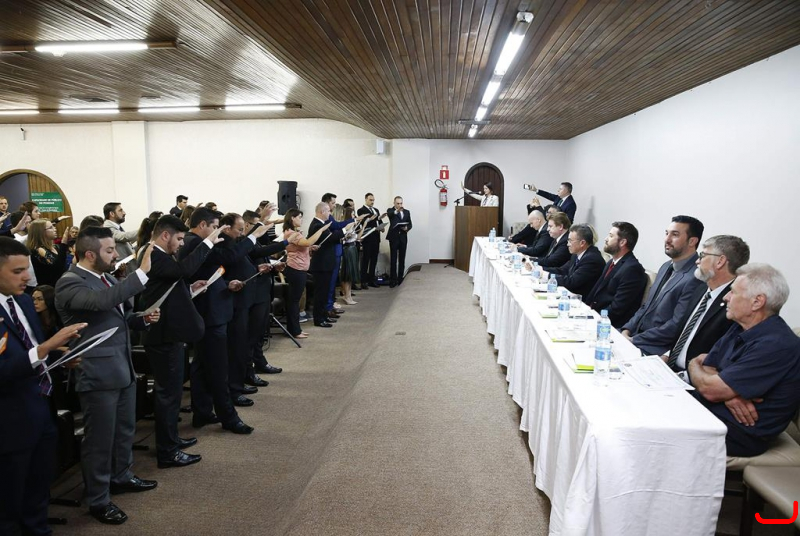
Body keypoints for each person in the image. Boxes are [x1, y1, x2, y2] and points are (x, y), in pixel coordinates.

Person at [55, 227, 160, 525]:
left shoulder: (108, 279)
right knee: (99, 440)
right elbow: (99, 303)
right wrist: (140, 274)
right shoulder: (70, 282)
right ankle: (98, 499)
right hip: (96, 372)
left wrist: (142, 319)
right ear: (90, 254)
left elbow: (118, 316)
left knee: (124, 430)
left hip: (121, 366)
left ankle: (121, 476)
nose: (115, 255)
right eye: (110, 250)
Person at [0, 237, 86, 536]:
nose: (27, 277)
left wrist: (59, 358)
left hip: (43, 406)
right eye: (17, 271)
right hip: (10, 417)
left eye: (27, 269)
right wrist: (47, 347)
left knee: (39, 488)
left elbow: (34, 351)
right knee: (9, 498)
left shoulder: (24, 301)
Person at [138, 215, 225, 469]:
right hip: (163, 335)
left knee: (173, 393)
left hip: (169, 332)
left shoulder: (158, 254)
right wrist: (207, 244)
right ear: (165, 235)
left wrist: (190, 289)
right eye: (178, 238)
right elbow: (183, 271)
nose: (180, 244)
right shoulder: (152, 253)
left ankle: (172, 439)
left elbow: (169, 284)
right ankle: (168, 452)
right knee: (168, 395)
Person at [689, 263, 800, 457]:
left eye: (733, 292)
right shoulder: (740, 326)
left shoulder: (777, 344)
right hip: (714, 413)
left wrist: (697, 368)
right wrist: (729, 393)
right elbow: (708, 366)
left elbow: (710, 389)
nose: (726, 297)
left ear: (757, 302)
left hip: (737, 433)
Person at [180, 208, 253, 434]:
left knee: (202, 364)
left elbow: (211, 271)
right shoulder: (195, 242)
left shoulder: (196, 242)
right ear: (202, 225)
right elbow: (226, 257)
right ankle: (228, 417)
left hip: (211, 309)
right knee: (219, 368)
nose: (216, 232)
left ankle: (202, 411)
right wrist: (253, 238)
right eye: (214, 227)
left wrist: (226, 283)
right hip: (210, 313)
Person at [664, 235, 750, 379]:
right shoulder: (700, 288)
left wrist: (682, 376)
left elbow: (720, 358)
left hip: (695, 380)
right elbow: (684, 333)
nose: (697, 261)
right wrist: (667, 355)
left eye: (702, 255)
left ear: (720, 261)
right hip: (668, 368)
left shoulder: (735, 305)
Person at [622, 215, 705, 355]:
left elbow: (675, 326)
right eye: (667, 233)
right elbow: (646, 306)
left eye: (675, 235)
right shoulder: (666, 266)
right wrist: (627, 330)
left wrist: (634, 340)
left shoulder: (696, 276)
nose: (667, 239)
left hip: (655, 348)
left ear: (692, 241)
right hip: (635, 337)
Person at [584, 222, 647, 328]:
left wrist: (593, 320)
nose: (606, 239)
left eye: (611, 236)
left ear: (622, 242)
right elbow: (596, 291)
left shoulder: (632, 269)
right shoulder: (612, 262)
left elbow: (617, 309)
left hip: (610, 325)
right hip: (595, 316)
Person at [283, 209, 330, 338]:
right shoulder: (292, 233)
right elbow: (308, 242)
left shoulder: (294, 232)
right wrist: (321, 230)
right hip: (296, 269)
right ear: (292, 218)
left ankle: (296, 329)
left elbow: (303, 246)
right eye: (299, 217)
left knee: (295, 300)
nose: (301, 219)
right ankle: (294, 330)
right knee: (294, 301)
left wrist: (309, 248)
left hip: (300, 268)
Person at [546, 224, 605, 298]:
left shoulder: (592, 259)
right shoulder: (576, 254)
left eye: (570, 241)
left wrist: (546, 276)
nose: (568, 244)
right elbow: (562, 270)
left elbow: (572, 282)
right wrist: (541, 270)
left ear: (582, 243)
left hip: (582, 300)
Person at [309, 202, 343, 327]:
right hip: (321, 265)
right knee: (320, 293)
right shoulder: (317, 225)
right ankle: (319, 319)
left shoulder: (322, 224)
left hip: (326, 264)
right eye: (328, 210)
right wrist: (345, 230)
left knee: (324, 292)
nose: (330, 213)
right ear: (322, 212)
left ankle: (324, 315)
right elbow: (330, 238)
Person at [26, 220, 69, 287]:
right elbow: (58, 268)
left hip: (61, 285)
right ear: (41, 232)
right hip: (49, 289)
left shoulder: (56, 247)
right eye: (51, 227)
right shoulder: (39, 250)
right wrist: (63, 244)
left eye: (53, 226)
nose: (55, 229)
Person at [357, 193, 384, 289]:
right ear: (366, 199)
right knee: (366, 260)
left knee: (374, 260)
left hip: (376, 238)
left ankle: (372, 280)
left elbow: (379, 221)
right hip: (367, 238)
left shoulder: (376, 210)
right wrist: (376, 219)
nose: (372, 202)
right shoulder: (361, 210)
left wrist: (381, 226)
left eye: (373, 200)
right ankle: (363, 281)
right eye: (370, 200)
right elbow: (365, 222)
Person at [340, 206, 364, 305]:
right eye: (353, 214)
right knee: (347, 274)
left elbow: (357, 237)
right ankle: (347, 296)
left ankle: (349, 295)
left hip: (353, 247)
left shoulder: (353, 225)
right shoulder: (347, 225)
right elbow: (343, 238)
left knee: (350, 275)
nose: (354, 216)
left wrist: (364, 225)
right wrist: (347, 236)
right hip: (348, 248)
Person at [386, 196, 412, 288]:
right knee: (393, 259)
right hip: (394, 238)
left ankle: (400, 279)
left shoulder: (406, 212)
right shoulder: (390, 210)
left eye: (401, 203)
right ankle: (393, 280)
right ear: (394, 203)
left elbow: (410, 224)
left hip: (403, 237)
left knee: (402, 259)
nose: (400, 205)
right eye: (398, 203)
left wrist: (407, 228)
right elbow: (390, 214)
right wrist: (396, 211)